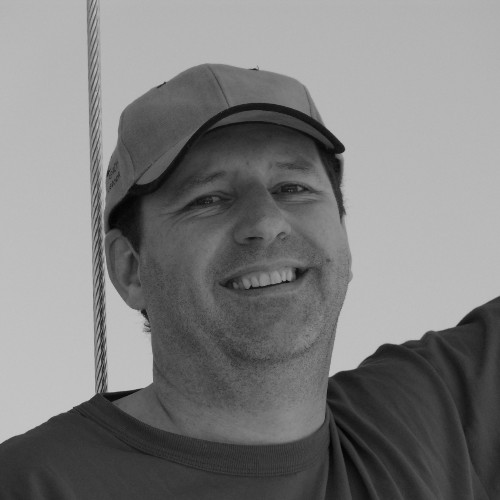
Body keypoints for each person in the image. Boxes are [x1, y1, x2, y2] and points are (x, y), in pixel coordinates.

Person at [0, 63, 498, 499]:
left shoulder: (438, 416)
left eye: (293, 187)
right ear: (131, 269)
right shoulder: (32, 485)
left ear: (343, 233)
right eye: (208, 199)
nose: (266, 221)